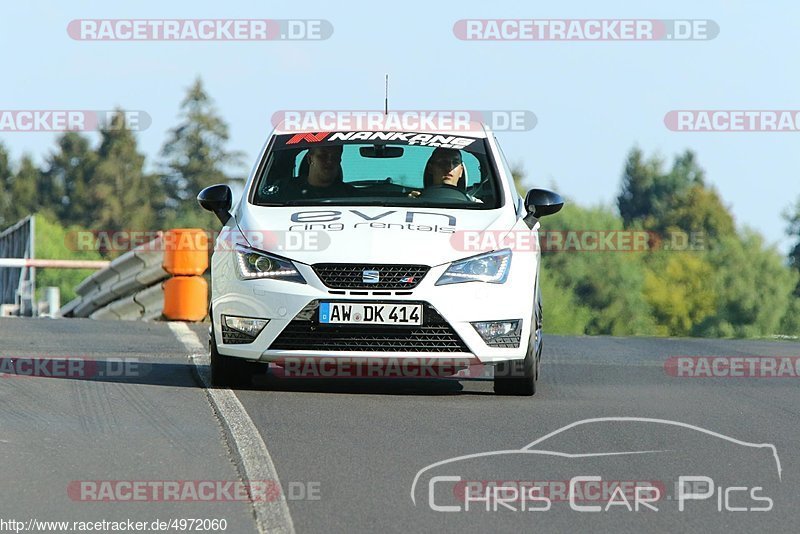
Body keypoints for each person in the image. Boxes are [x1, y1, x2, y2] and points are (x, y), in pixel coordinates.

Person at [262, 145, 354, 201]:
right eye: (323, 155)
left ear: (340, 160)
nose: (329, 161)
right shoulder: (282, 190)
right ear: (310, 159)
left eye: (335, 157)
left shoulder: (352, 196)